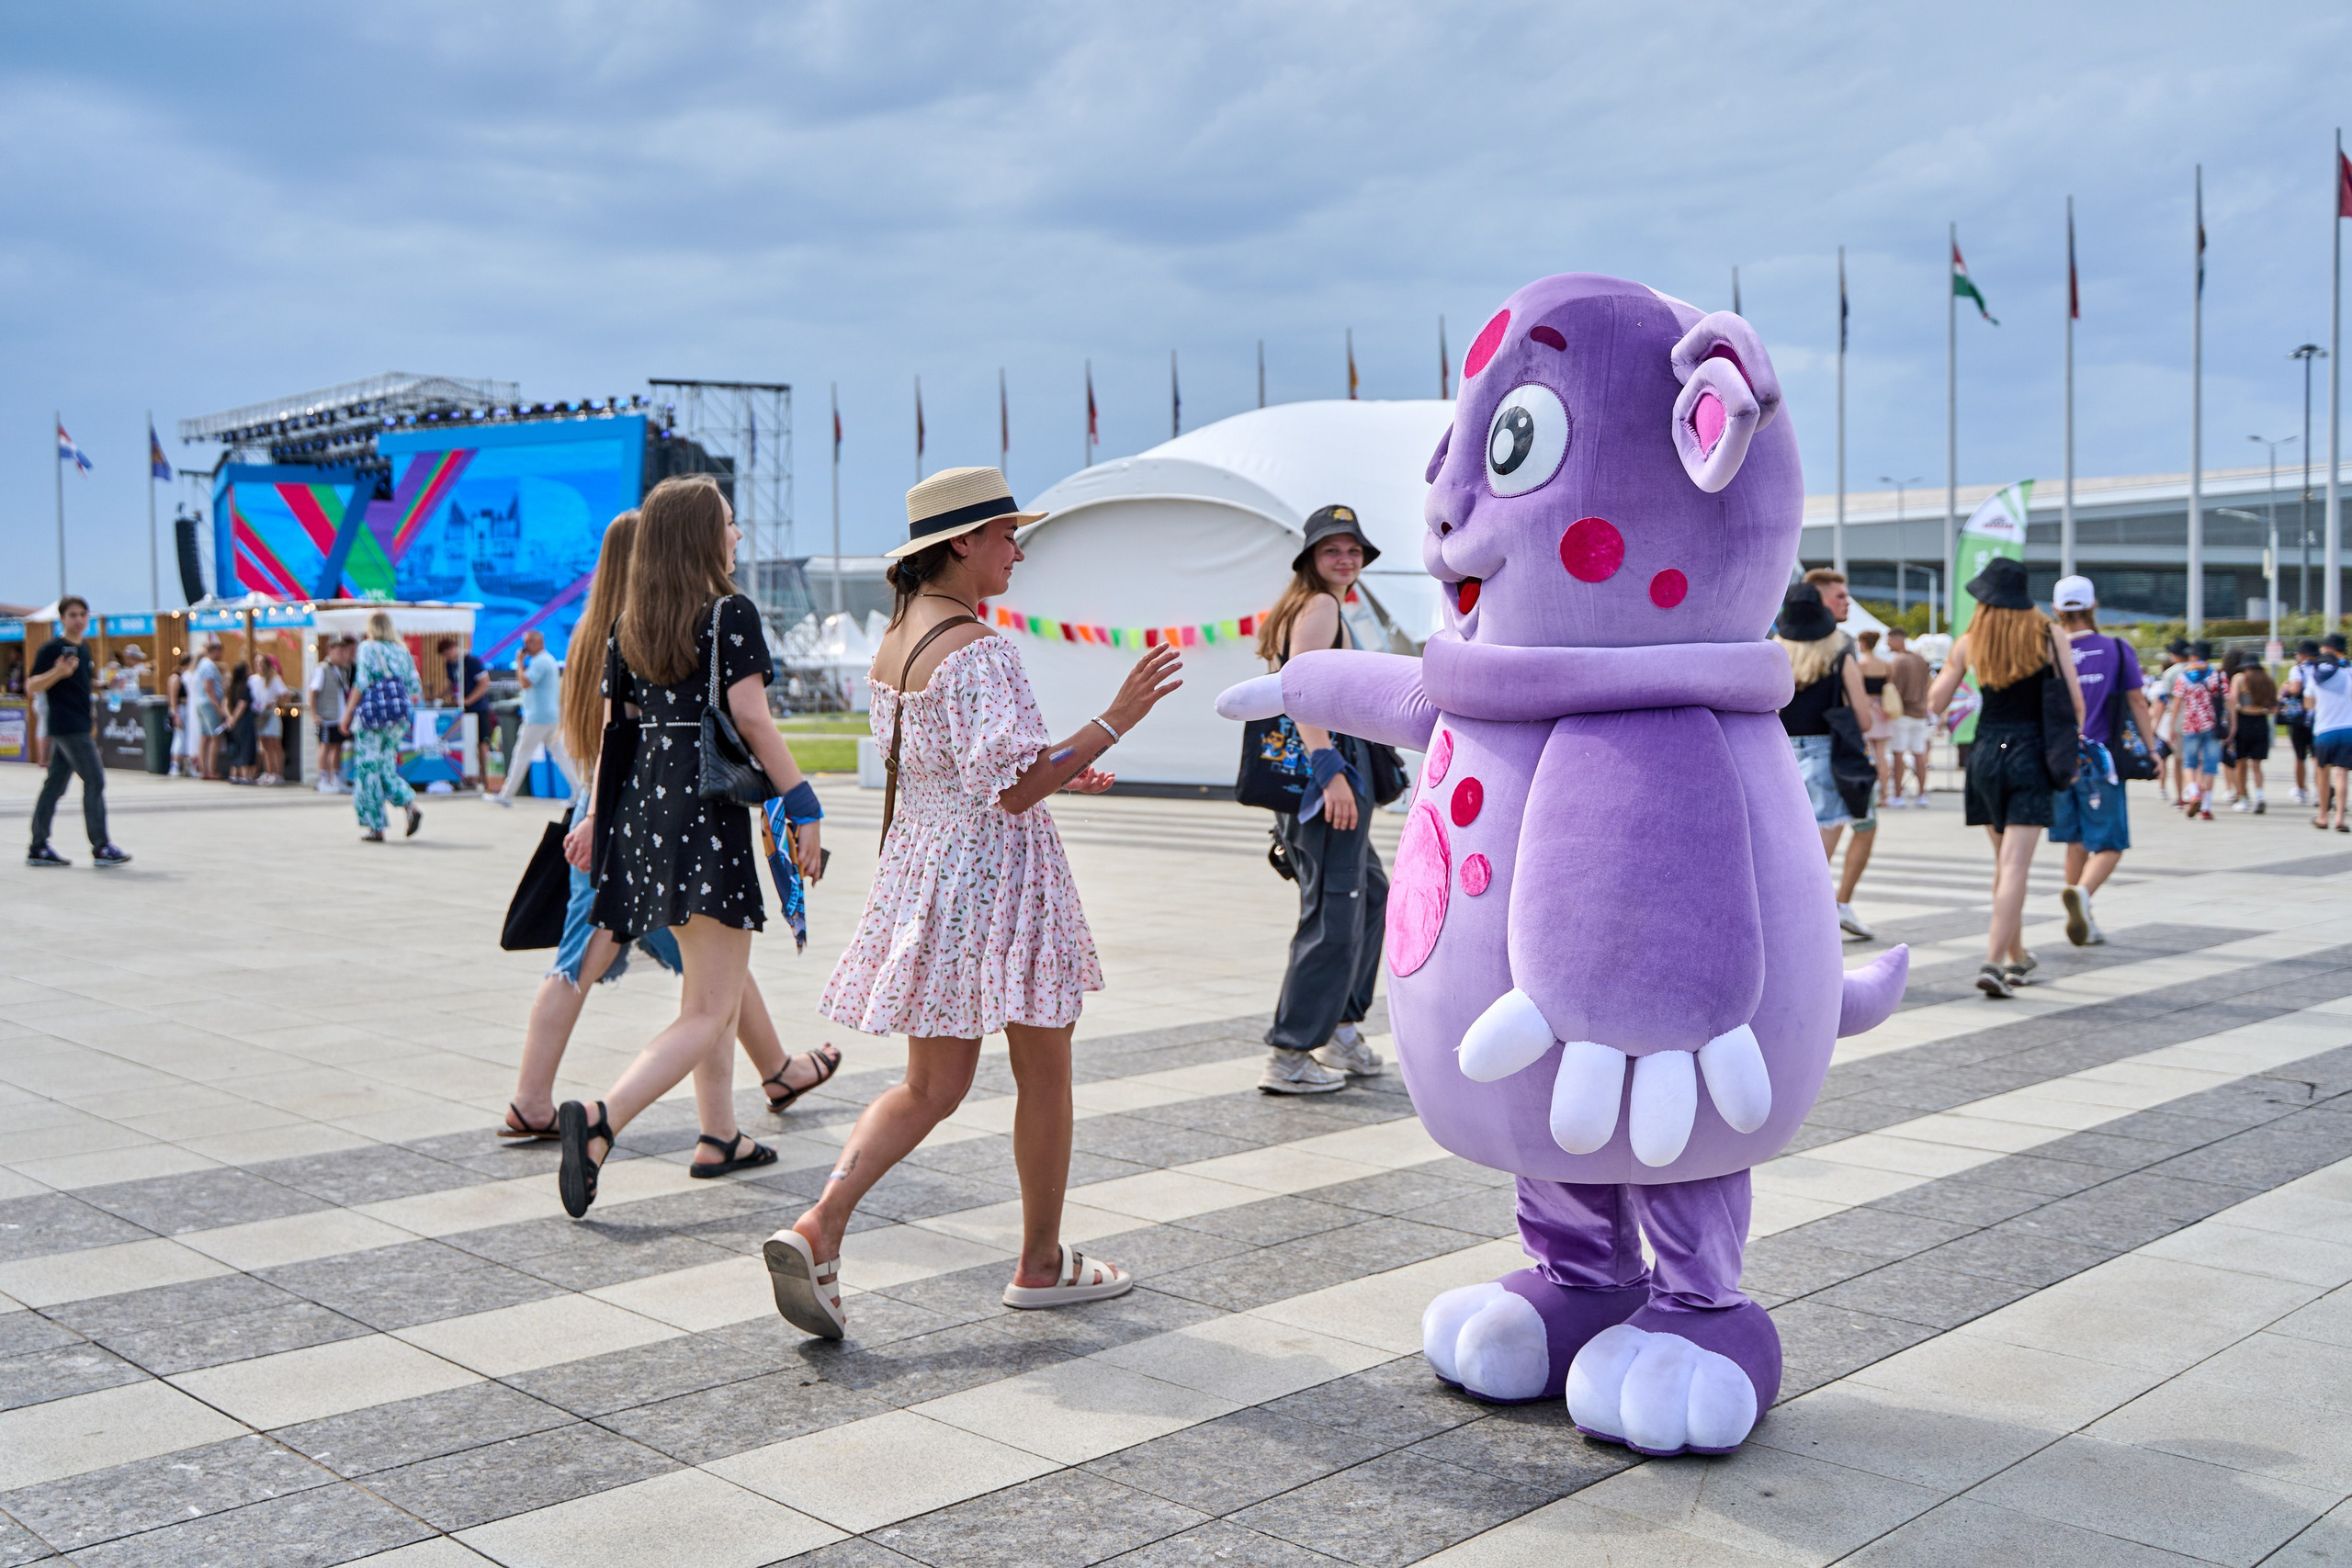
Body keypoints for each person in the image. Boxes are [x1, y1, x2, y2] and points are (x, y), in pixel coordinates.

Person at [767, 466, 1181, 1340]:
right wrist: (1115, 717)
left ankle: (821, 1224)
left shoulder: (898, 641)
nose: (1015, 551)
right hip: (1003, 883)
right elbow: (1016, 788)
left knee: (929, 1085)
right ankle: (1040, 1261)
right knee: (1045, 1071)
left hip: (932, 878)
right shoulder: (981, 648)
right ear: (960, 541)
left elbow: (970, 771)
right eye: (1004, 535)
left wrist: (1059, 762)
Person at [503, 510, 839, 1141]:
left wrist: (600, 813)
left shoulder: (619, 627)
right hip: (675, 817)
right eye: (731, 523)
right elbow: (750, 719)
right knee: (674, 986)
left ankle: (728, 1124)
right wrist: (802, 802)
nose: (738, 534)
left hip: (634, 815)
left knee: (709, 982)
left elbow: (611, 735)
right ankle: (586, 1114)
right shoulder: (709, 616)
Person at [1253, 504, 1393, 1093]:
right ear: (1312, 558)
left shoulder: (1310, 605)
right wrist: (1331, 772)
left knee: (1369, 896)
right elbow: (1303, 694)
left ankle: (1340, 1025)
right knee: (1333, 914)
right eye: (1334, 549)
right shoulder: (1320, 606)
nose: (1346, 559)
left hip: (1325, 777)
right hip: (1324, 782)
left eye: (1353, 550)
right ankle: (1290, 1053)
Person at [1929, 557, 2085, 998]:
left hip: (1983, 755)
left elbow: (1935, 701)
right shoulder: (2049, 634)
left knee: (2004, 865)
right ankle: (1993, 963)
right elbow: (2075, 704)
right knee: (2016, 866)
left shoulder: (1969, 641)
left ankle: (2017, 956)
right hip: (2031, 754)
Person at [2049, 576, 2153, 948]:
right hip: (2101, 758)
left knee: (2075, 839)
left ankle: (2085, 920)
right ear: (2093, 606)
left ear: (2057, 610)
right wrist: (2152, 748)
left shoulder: (2049, 651)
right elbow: (2138, 702)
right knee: (2110, 843)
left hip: (2060, 759)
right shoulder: (2116, 649)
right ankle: (2084, 894)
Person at [1774, 583, 1877, 940]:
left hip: (1779, 755)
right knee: (1820, 851)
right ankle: (1806, 924)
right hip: (1826, 754)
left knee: (1788, 843)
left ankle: (1782, 915)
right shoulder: (1839, 654)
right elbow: (1863, 720)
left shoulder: (1774, 653)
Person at [25, 596, 130, 869]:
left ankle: (38, 846)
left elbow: (82, 684)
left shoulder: (83, 649)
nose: (79, 619)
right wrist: (58, 672)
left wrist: (105, 686)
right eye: (73, 615)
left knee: (55, 786)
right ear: (62, 619)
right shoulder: (52, 650)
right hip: (67, 726)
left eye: (83, 614)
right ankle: (101, 846)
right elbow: (32, 685)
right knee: (95, 780)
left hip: (79, 724)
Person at [351, 612, 424, 842]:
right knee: (386, 768)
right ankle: (410, 806)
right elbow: (415, 688)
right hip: (398, 717)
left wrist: (346, 715)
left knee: (368, 770)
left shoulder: (368, 648)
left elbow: (361, 682)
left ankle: (376, 826)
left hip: (373, 717)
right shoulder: (402, 651)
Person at [493, 628, 577, 806]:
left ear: (539, 642)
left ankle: (506, 795)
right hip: (549, 717)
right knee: (561, 756)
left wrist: (519, 662)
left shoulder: (540, 662)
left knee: (521, 755)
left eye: (529, 642)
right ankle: (578, 792)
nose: (525, 647)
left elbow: (525, 683)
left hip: (538, 718)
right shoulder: (547, 660)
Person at [2172, 639, 2223, 819]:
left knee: (2189, 763)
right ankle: (2206, 808)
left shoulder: (2184, 676)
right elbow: (2229, 700)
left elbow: (2177, 703)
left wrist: (2172, 726)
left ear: (2193, 656)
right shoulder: (2217, 675)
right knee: (2209, 767)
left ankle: (2193, 792)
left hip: (2191, 725)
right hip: (2213, 725)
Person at [1883, 626, 1932, 806]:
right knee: (1919, 755)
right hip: (1920, 713)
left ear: (1897, 639)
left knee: (1898, 754)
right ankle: (1921, 795)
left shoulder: (1898, 661)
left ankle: (1897, 795)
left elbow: (1896, 690)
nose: (1887, 644)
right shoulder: (1920, 659)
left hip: (1903, 713)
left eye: (1889, 640)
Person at [439, 636, 495, 786]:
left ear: (452, 649)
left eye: (447, 653)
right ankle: (469, 774)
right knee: (465, 741)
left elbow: (484, 683)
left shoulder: (471, 661)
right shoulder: (450, 664)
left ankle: (486, 775)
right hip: (461, 709)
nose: (447, 657)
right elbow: (452, 683)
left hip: (477, 708)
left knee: (482, 741)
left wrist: (469, 700)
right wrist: (439, 697)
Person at [2310, 633, 2352, 833]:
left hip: (2325, 730)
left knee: (2322, 772)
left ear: (2327, 649)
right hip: (2349, 729)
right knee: (2342, 773)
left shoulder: (2316, 674)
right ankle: (2340, 818)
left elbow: (2308, 703)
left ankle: (2323, 816)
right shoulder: (2350, 672)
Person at [2226, 651, 2275, 813]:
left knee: (2240, 763)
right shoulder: (2267, 680)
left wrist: (2232, 726)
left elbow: (2233, 701)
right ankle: (2260, 795)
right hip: (2261, 722)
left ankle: (2243, 798)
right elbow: (2273, 708)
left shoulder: (2239, 678)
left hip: (2243, 721)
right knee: (2257, 764)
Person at [1854, 628, 1896, 809]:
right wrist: (1883, 708)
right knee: (1882, 756)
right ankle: (1885, 795)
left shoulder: (1861, 664)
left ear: (1863, 643)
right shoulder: (1886, 664)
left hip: (1869, 710)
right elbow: (1891, 689)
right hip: (1884, 711)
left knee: (1867, 756)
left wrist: (1873, 706)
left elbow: (1860, 692)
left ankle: (1868, 795)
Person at [312, 638, 355, 793]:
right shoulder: (322, 669)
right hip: (327, 715)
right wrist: (314, 714)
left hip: (339, 715)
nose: (342, 655)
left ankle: (335, 777)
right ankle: (323, 778)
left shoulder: (343, 670)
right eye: (339, 651)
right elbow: (313, 691)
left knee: (337, 746)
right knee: (325, 745)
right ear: (330, 651)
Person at [2282, 639, 2320, 805]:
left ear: (2303, 654)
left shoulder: (2297, 669)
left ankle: (2301, 790)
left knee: (2299, 756)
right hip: (2319, 716)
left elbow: (2296, 688)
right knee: (2317, 757)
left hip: (2299, 717)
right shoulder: (2322, 668)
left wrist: (2285, 687)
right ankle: (2319, 790)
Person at [193, 638, 226, 781]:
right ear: (216, 651)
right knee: (215, 736)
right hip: (209, 704)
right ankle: (211, 769)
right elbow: (209, 687)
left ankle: (203, 769)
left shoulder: (201, 664)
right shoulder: (208, 666)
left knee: (205, 736)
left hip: (201, 703)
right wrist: (218, 707)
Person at [219, 660, 257, 784]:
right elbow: (242, 705)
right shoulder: (245, 687)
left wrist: (229, 718)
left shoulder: (231, 688)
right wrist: (234, 719)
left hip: (233, 722)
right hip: (244, 721)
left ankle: (234, 774)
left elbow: (224, 704)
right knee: (246, 747)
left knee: (235, 747)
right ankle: (245, 775)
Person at [254, 653, 288, 785]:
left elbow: (285, 694)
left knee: (275, 744)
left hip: (271, 715)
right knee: (265, 744)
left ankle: (278, 773)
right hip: (260, 715)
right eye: (257, 663)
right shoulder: (254, 680)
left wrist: (276, 702)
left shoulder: (274, 679)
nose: (259, 666)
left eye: (262, 663)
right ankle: (269, 771)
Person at [165, 654, 194, 776]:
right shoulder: (176, 678)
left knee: (184, 737)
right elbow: (172, 698)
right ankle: (175, 765)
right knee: (179, 736)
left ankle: (184, 765)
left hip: (186, 709)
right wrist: (175, 715)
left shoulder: (185, 677)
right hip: (179, 710)